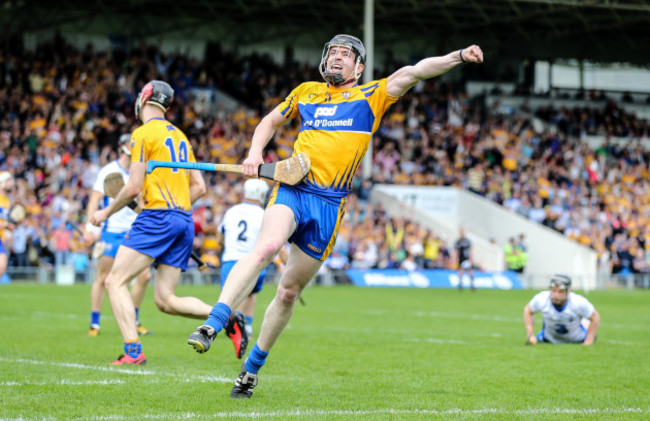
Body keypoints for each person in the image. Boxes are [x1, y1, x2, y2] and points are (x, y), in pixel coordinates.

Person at [187, 34, 483, 398]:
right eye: (333, 52)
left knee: (289, 292)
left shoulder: (371, 97)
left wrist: (458, 56)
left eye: (346, 54)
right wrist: (254, 152)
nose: (338, 58)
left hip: (329, 205)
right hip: (293, 187)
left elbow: (415, 71)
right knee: (265, 248)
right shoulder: (307, 92)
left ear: (359, 67)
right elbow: (268, 122)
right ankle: (215, 322)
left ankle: (251, 369)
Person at [90, 80, 246, 365]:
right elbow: (199, 187)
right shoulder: (182, 137)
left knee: (114, 281)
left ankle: (133, 352)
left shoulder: (142, 134)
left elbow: (134, 186)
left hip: (157, 217)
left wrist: (105, 213)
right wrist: (175, 209)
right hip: (183, 218)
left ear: (145, 98)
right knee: (165, 301)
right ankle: (228, 317)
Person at [83, 134, 152, 337]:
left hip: (136, 230)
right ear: (124, 148)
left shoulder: (142, 170)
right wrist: (91, 228)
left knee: (145, 276)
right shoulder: (109, 171)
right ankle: (95, 324)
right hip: (112, 231)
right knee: (103, 277)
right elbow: (95, 200)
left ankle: (134, 318)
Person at [212, 178, 288, 340]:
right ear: (261, 194)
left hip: (231, 260)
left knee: (231, 296)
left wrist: (224, 244)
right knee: (250, 293)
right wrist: (288, 264)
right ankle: (246, 326)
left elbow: (220, 236)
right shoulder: (264, 214)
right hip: (254, 262)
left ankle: (236, 327)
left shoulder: (231, 211)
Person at [523, 274, 601, 345]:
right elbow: (528, 310)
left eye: (561, 292)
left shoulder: (579, 302)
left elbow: (595, 317)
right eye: (553, 290)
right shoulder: (542, 299)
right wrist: (531, 335)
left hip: (577, 340)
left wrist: (588, 342)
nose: (556, 295)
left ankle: (584, 324)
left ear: (569, 291)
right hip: (547, 339)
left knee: (585, 323)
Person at [0, 172, 15, 283]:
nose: (11, 183)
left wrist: (8, 227)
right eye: (8, 180)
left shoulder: (7, 200)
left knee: (2, 268)